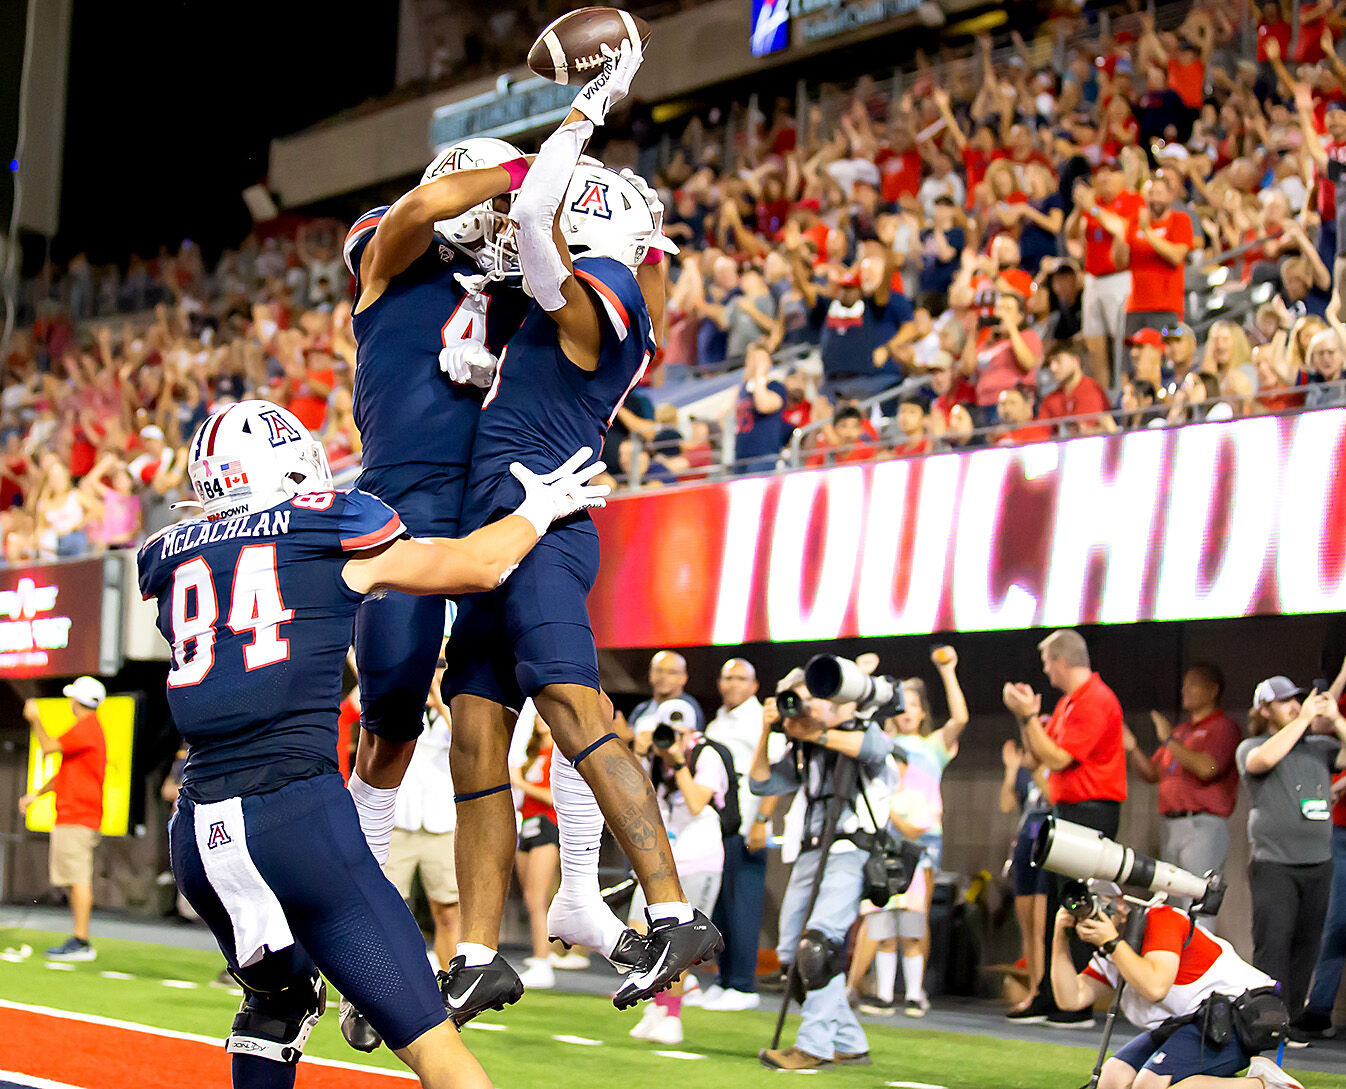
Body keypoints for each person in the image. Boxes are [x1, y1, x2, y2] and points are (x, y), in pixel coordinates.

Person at [136, 399, 607, 1089]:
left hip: (200, 837)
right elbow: (477, 565)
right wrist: (537, 510)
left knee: (275, 1005)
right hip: (297, 820)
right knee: (433, 1046)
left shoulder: (164, 556)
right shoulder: (323, 524)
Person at [438, 48, 721, 1025]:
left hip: (542, 533)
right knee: (471, 731)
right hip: (494, 533)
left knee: (568, 698)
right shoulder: (546, 309)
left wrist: (580, 116)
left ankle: (672, 907)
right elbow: (503, 257)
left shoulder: (612, 293)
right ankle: (477, 951)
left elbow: (529, 224)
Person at [341, 132, 534, 870]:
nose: (504, 209)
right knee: (393, 703)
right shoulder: (393, 254)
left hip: (497, 500)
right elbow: (421, 205)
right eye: (494, 195)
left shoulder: (522, 285)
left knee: (548, 687)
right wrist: (529, 167)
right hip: (407, 500)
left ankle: (572, 895)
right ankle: (353, 882)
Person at [750, 676, 894, 1070]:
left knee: (817, 948)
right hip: (812, 853)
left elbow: (876, 748)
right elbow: (759, 782)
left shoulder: (864, 731)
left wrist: (815, 733)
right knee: (792, 961)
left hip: (852, 850)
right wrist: (767, 729)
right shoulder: (804, 750)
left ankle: (814, 1047)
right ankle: (849, 1041)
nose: (805, 706)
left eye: (813, 698)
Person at [1051, 882, 1302, 1089]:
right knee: (1112, 1079)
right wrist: (1060, 935)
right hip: (1190, 1023)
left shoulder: (1162, 919)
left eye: (1104, 903)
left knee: (1149, 1086)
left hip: (1239, 1016)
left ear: (1123, 904)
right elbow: (1071, 998)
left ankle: (1266, 1085)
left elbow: (1155, 987)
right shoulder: (1112, 948)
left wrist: (1113, 942)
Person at [1003, 628, 1126, 1027]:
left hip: (1091, 811)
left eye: (1046, 662)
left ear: (1060, 661)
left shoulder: (1096, 700)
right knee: (1061, 904)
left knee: (1078, 904)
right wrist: (1026, 721)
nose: (1045, 671)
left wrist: (1026, 717)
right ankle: (1050, 993)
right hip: (1068, 809)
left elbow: (1055, 758)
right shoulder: (1070, 703)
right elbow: (1037, 754)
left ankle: (1075, 1003)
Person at [850, 648, 968, 1017]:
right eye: (901, 705)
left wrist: (948, 671)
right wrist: (864, 678)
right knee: (883, 916)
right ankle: (884, 994)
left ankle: (914, 993)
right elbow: (855, 722)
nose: (906, 713)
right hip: (884, 838)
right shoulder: (881, 743)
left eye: (913, 705)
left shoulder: (934, 746)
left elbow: (960, 718)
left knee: (915, 919)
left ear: (922, 710)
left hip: (922, 841)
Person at [1237, 677, 1346, 1033]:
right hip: (1275, 866)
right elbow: (1262, 760)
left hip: (1318, 864)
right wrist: (1304, 721)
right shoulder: (1251, 745)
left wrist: (1336, 718)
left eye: (1297, 700)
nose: (1295, 706)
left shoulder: (1319, 746)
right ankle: (1263, 1025)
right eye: (1285, 702)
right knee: (1274, 948)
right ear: (1265, 708)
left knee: (1306, 950)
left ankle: (1290, 1022)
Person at [628, 707, 732, 1045]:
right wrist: (640, 754)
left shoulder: (707, 754)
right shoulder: (655, 759)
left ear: (691, 733)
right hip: (662, 860)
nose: (672, 740)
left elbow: (696, 803)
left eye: (679, 733)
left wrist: (679, 760)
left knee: (680, 943)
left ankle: (672, 1014)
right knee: (645, 936)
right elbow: (632, 797)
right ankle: (656, 1008)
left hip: (699, 857)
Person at [1122, 663, 1242, 911]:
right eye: (1184, 685)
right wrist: (1132, 747)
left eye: (1193, 684)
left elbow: (1208, 769)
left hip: (1202, 825)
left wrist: (1168, 740)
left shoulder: (1222, 727)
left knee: (1197, 898)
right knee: (1172, 901)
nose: (1185, 690)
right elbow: (1152, 773)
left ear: (1212, 690)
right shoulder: (1181, 731)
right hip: (1170, 825)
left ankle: (1200, 945)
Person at [702, 658, 780, 1011]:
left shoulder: (759, 720)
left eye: (739, 678)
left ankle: (743, 985)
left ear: (753, 685)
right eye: (726, 677)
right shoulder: (719, 720)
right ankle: (725, 978)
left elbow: (774, 775)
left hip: (748, 826)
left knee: (743, 906)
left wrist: (762, 821)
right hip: (719, 825)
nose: (732, 684)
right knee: (721, 907)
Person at [18, 677, 108, 961]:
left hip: (78, 815)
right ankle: (79, 939)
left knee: (78, 878)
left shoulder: (87, 728)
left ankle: (81, 940)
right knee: (73, 878)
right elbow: (64, 775)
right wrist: (37, 795)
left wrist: (35, 719)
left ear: (76, 700)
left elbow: (48, 747)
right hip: (75, 814)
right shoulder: (88, 730)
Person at [384, 662, 460, 975]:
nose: (435, 672)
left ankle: (451, 985)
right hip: (399, 818)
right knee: (389, 909)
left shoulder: (457, 704)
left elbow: (466, 739)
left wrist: (440, 700)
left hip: (442, 820)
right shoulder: (401, 697)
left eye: (442, 666)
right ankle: (389, 983)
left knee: (448, 910)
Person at [999, 739, 1051, 1015]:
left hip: (1049, 847)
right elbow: (1007, 804)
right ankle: (1033, 989)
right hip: (1024, 846)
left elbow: (1053, 796)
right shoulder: (1021, 771)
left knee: (1042, 927)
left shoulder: (1052, 770)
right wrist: (1011, 769)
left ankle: (1044, 991)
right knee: (1027, 926)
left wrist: (1036, 769)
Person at [512, 711, 561, 991]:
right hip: (526, 824)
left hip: (547, 824)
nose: (542, 719)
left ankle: (544, 960)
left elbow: (553, 797)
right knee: (530, 896)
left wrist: (521, 783)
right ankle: (540, 955)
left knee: (537, 896)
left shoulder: (558, 752)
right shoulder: (533, 752)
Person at [733, 343, 789, 474]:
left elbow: (763, 405)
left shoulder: (775, 387)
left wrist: (759, 376)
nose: (756, 364)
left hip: (763, 456)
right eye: (753, 359)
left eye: (760, 360)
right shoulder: (743, 389)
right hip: (741, 456)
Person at [630, 650, 706, 734]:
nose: (663, 677)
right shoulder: (641, 710)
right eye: (659, 670)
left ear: (684, 678)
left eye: (671, 672)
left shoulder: (689, 709)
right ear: (650, 674)